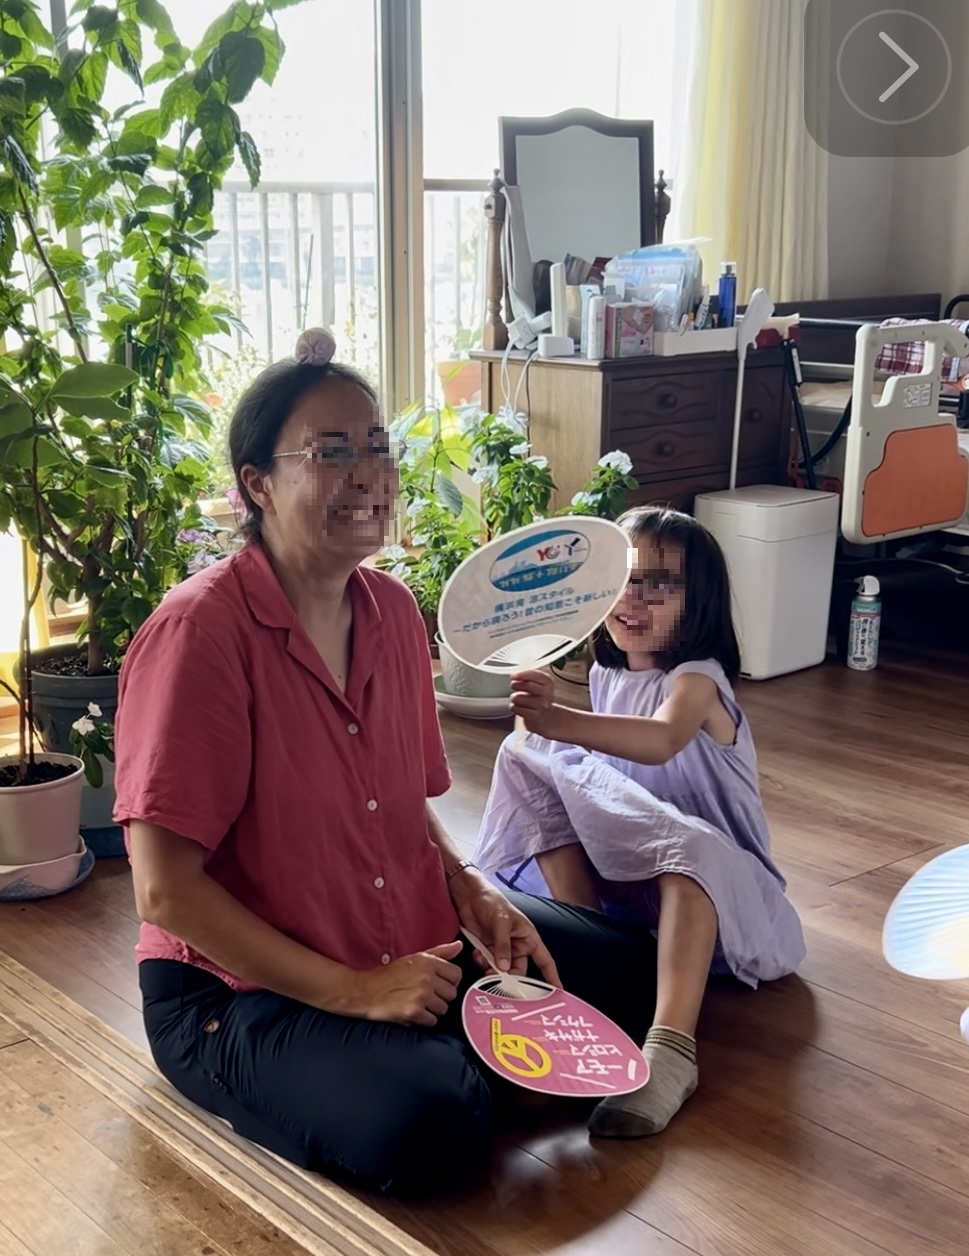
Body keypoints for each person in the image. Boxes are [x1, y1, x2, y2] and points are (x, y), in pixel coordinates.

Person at [111, 328, 661, 1199]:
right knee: (432, 1125)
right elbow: (165, 892)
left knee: (631, 973)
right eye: (331, 452)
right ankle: (427, 1058)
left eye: (376, 446)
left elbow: (397, 804)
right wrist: (355, 992)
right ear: (257, 484)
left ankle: (444, 1045)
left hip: (405, 932)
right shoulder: (199, 633)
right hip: (231, 991)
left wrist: (470, 889)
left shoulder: (394, 612)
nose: (368, 473)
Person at [473, 505, 806, 1139]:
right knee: (526, 753)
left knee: (689, 847)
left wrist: (559, 721)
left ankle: (672, 1050)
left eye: (660, 584)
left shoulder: (698, 680)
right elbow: (594, 781)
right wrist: (538, 722)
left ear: (697, 600)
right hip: (639, 892)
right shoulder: (606, 673)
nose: (634, 598)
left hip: (724, 895)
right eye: (623, 579)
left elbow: (660, 740)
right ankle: (591, 956)